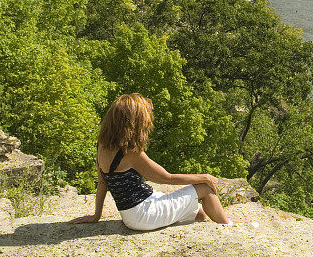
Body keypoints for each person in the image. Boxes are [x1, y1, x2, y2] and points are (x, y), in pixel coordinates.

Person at [69, 93, 230, 229]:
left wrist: (96, 216)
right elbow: (167, 178)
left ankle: (211, 226)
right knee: (204, 189)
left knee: (198, 212)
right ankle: (230, 228)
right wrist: (205, 177)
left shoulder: (102, 145)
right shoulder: (130, 153)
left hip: (130, 215)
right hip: (144, 214)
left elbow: (102, 183)